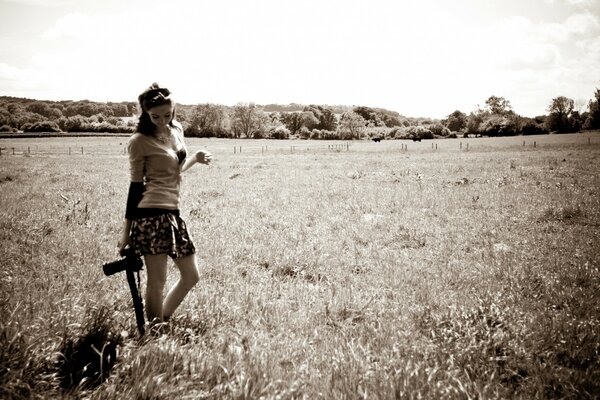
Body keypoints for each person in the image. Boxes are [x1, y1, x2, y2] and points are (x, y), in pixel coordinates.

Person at [118, 83, 212, 329]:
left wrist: (195, 158)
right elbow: (136, 187)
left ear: (174, 110)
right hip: (149, 215)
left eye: (167, 115)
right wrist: (126, 232)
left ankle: (163, 318)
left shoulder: (177, 130)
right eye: (155, 116)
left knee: (191, 276)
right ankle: (156, 330)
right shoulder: (139, 141)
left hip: (173, 213)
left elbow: (175, 169)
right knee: (157, 281)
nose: (162, 120)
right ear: (145, 113)